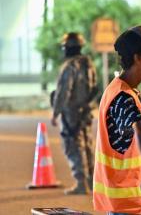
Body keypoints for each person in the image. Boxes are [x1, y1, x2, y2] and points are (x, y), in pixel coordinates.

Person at [93, 25, 141, 215]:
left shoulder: (128, 91)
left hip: (136, 201)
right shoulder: (122, 97)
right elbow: (137, 127)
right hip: (126, 206)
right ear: (138, 58)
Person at [51, 32, 98, 195]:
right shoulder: (88, 64)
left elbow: (64, 91)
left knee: (73, 145)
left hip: (71, 112)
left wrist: (55, 112)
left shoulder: (70, 66)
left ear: (69, 48)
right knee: (86, 145)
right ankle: (92, 182)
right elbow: (94, 88)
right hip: (86, 110)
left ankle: (80, 183)